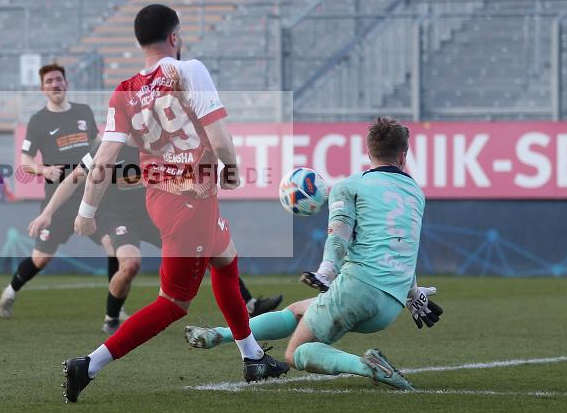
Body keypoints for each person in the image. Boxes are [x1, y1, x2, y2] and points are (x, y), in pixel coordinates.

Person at [61, 4, 290, 402]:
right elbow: (219, 141)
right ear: (175, 37)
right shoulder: (189, 71)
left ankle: (253, 357)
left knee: (226, 259)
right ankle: (89, 364)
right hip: (190, 199)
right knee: (173, 303)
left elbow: (104, 160)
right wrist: (231, 170)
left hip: (163, 196)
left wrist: (86, 211)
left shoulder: (125, 91)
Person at [185, 117, 444, 390]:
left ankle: (367, 366)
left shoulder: (350, 186)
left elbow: (338, 238)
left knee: (296, 352)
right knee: (297, 311)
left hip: (358, 289)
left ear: (368, 152)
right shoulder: (416, 193)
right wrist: (414, 294)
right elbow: (401, 245)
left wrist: (326, 272)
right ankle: (220, 335)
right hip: (390, 304)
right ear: (403, 155)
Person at [30, 141, 284, 335]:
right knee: (130, 264)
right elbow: (72, 180)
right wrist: (47, 214)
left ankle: (250, 304)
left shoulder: (157, 146)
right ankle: (112, 316)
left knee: (205, 249)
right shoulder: (107, 148)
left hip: (154, 214)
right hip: (120, 219)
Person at [0, 63, 110, 318]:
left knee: (113, 244)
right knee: (41, 259)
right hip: (57, 203)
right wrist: (41, 170)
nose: (55, 84)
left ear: (66, 83)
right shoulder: (38, 120)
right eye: (49, 81)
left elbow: (95, 145)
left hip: (90, 196)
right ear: (42, 88)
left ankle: (114, 311)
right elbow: (24, 160)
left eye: (59, 79)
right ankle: (11, 291)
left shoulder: (84, 112)